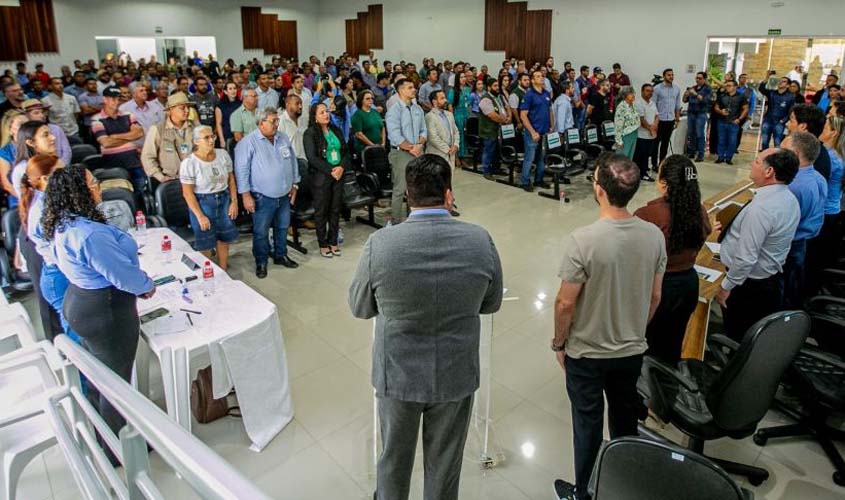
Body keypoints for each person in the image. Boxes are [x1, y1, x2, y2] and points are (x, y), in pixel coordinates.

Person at [348, 154, 503, 500]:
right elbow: (490, 304)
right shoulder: (480, 241)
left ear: (407, 196)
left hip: (398, 375)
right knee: (446, 464)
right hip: (456, 373)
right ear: (449, 195)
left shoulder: (381, 245)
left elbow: (360, 307)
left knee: (394, 460)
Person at [552, 153, 666, 500]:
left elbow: (565, 303)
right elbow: (655, 296)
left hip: (587, 353)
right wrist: (633, 328)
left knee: (587, 424)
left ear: (599, 190)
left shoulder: (583, 240)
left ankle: (583, 492)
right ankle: (623, 484)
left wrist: (560, 344)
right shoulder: (653, 236)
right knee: (624, 419)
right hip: (631, 349)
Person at [42, 165, 155, 458]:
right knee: (115, 381)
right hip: (106, 310)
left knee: (99, 374)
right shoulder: (89, 234)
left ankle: (103, 431)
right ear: (78, 191)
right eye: (93, 183)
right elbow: (121, 275)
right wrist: (146, 285)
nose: (99, 187)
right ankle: (119, 450)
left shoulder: (66, 221)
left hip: (80, 300)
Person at [716, 148, 801, 340]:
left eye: (756, 161)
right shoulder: (789, 199)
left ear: (769, 171)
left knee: (738, 334)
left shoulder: (761, 209)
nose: (750, 164)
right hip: (768, 280)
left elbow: (746, 258)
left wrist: (726, 286)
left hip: (747, 287)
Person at [634, 155, 711, 363]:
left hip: (657, 287)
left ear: (664, 183)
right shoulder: (699, 211)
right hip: (688, 284)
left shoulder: (648, 215)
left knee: (647, 346)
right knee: (674, 341)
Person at [20, 154, 81, 343]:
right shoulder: (43, 208)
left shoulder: (52, 201)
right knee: (77, 335)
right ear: (46, 179)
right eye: (60, 172)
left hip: (62, 271)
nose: (67, 176)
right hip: (59, 275)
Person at [234, 108, 300, 278]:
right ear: (261, 123)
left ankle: (280, 254)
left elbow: (292, 161)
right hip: (262, 196)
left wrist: (295, 184)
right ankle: (261, 261)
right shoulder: (248, 142)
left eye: (277, 120)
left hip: (284, 194)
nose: (277, 124)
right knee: (261, 232)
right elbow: (241, 171)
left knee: (283, 227)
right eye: (273, 121)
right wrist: (245, 195)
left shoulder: (282, 138)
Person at [179, 126, 238, 270]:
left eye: (213, 136)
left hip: (223, 199)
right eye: (207, 138)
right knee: (205, 240)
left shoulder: (223, 154)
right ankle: (207, 271)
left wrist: (234, 201)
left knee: (224, 237)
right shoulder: (189, 163)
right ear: (196, 142)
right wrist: (199, 215)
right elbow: (188, 193)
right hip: (203, 202)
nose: (211, 140)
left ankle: (223, 269)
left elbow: (231, 179)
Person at [780, 132, 827, 309]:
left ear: (796, 155)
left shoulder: (794, 185)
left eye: (783, 150)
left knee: (783, 291)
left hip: (790, 246)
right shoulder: (817, 178)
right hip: (803, 243)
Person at [805, 115, 844, 296]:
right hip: (834, 210)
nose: (822, 130)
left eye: (826, 128)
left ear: (834, 132)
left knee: (813, 259)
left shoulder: (830, 158)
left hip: (826, 213)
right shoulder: (838, 154)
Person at [304, 103, 348, 259]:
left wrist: (341, 167)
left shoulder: (335, 130)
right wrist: (331, 170)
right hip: (322, 176)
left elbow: (345, 151)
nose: (326, 114)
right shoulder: (310, 133)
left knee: (335, 210)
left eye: (327, 111)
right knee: (322, 211)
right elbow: (312, 158)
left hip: (339, 174)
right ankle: (323, 244)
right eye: (322, 112)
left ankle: (333, 241)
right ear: (314, 117)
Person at [385, 79, 427, 224]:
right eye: (410, 87)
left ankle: (413, 218)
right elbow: (395, 135)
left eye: (413, 87)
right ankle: (396, 221)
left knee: (415, 187)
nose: (414, 89)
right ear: (401, 91)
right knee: (400, 189)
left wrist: (420, 144)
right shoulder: (394, 111)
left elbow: (424, 130)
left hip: (417, 151)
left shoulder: (417, 109)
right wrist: (411, 147)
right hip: (401, 153)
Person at [142, 92, 195, 183]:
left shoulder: (194, 128)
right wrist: (160, 177)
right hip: (170, 179)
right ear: (170, 110)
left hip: (193, 178)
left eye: (188, 107)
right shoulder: (157, 129)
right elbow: (147, 157)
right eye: (182, 108)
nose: (187, 110)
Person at [519, 69, 554, 192]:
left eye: (542, 76)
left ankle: (539, 179)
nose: (542, 78)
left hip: (544, 131)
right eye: (538, 76)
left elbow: (550, 110)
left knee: (542, 158)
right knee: (530, 157)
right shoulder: (529, 95)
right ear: (533, 80)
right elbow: (523, 115)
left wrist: (552, 125)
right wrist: (533, 132)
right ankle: (525, 181)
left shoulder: (545, 93)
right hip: (532, 132)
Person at [787, 103, 831, 180]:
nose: (787, 124)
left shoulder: (814, 159)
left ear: (803, 126)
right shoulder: (812, 151)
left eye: (791, 121)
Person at [21, 99, 72, 165]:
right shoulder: (24, 133)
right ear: (26, 116)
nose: (42, 116)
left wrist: (60, 165)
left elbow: (67, 151)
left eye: (43, 112)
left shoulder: (56, 128)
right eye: (36, 113)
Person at [478, 78, 510, 181]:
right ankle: (486, 171)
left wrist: (509, 116)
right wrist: (504, 120)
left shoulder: (499, 96)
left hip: (499, 129)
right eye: (495, 86)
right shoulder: (485, 99)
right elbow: (492, 115)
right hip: (489, 130)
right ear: (489, 87)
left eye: (498, 86)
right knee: (489, 150)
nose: (497, 88)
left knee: (496, 150)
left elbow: (507, 106)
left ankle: (496, 168)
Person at [714, 80, 748, 165]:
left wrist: (739, 119)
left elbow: (745, 108)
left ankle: (729, 158)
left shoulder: (741, 97)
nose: (727, 87)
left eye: (729, 86)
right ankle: (720, 157)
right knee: (721, 140)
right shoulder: (722, 96)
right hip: (722, 121)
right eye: (726, 86)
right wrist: (721, 111)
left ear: (735, 87)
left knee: (732, 141)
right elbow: (716, 107)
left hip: (734, 121)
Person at [758, 75, 795, 149]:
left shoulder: (790, 97)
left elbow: (791, 111)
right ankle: (765, 157)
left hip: (779, 122)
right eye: (780, 80)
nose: (781, 82)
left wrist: (783, 120)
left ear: (787, 85)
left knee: (777, 142)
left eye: (784, 81)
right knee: (764, 141)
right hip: (768, 120)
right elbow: (761, 89)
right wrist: (767, 78)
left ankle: (777, 158)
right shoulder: (772, 93)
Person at [653, 69, 682, 163]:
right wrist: (654, 121)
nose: (671, 77)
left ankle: (662, 163)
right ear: (664, 76)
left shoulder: (677, 89)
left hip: (670, 119)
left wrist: (677, 119)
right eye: (669, 75)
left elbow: (677, 106)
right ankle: (654, 163)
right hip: (659, 120)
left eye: (672, 75)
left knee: (665, 144)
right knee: (656, 143)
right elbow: (653, 105)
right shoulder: (657, 88)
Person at [683, 72, 712, 162]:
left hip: (701, 113)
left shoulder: (708, 89)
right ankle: (691, 152)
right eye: (696, 78)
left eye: (700, 78)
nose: (697, 80)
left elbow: (706, 101)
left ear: (704, 79)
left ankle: (700, 154)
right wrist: (686, 94)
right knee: (691, 133)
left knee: (700, 134)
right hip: (691, 113)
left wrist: (695, 94)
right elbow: (684, 100)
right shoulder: (693, 88)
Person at [634, 84, 659, 180]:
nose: (650, 93)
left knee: (647, 154)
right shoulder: (638, 103)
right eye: (647, 91)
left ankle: (644, 171)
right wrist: (650, 129)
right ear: (642, 91)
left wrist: (655, 126)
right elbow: (641, 119)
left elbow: (657, 116)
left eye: (651, 91)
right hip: (641, 135)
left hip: (651, 134)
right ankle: (640, 173)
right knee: (640, 155)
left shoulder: (652, 103)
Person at [448, 72, 472, 162]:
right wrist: (452, 118)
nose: (463, 79)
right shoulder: (453, 91)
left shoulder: (467, 89)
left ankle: (464, 155)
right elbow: (450, 105)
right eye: (461, 77)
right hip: (458, 115)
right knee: (459, 136)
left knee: (466, 136)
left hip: (466, 114)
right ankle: (457, 157)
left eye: (464, 77)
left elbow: (469, 103)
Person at [613, 86, 639, 160]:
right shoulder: (621, 107)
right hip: (625, 135)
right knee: (622, 159)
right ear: (624, 95)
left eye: (633, 93)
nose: (633, 95)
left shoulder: (633, 105)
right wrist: (618, 140)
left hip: (634, 133)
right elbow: (618, 125)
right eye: (630, 93)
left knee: (630, 157)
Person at [215, 82, 241, 147]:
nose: (233, 91)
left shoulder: (241, 104)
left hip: (240, 135)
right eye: (230, 89)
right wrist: (221, 139)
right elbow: (218, 124)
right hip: (226, 136)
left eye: (234, 88)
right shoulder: (220, 106)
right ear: (225, 92)